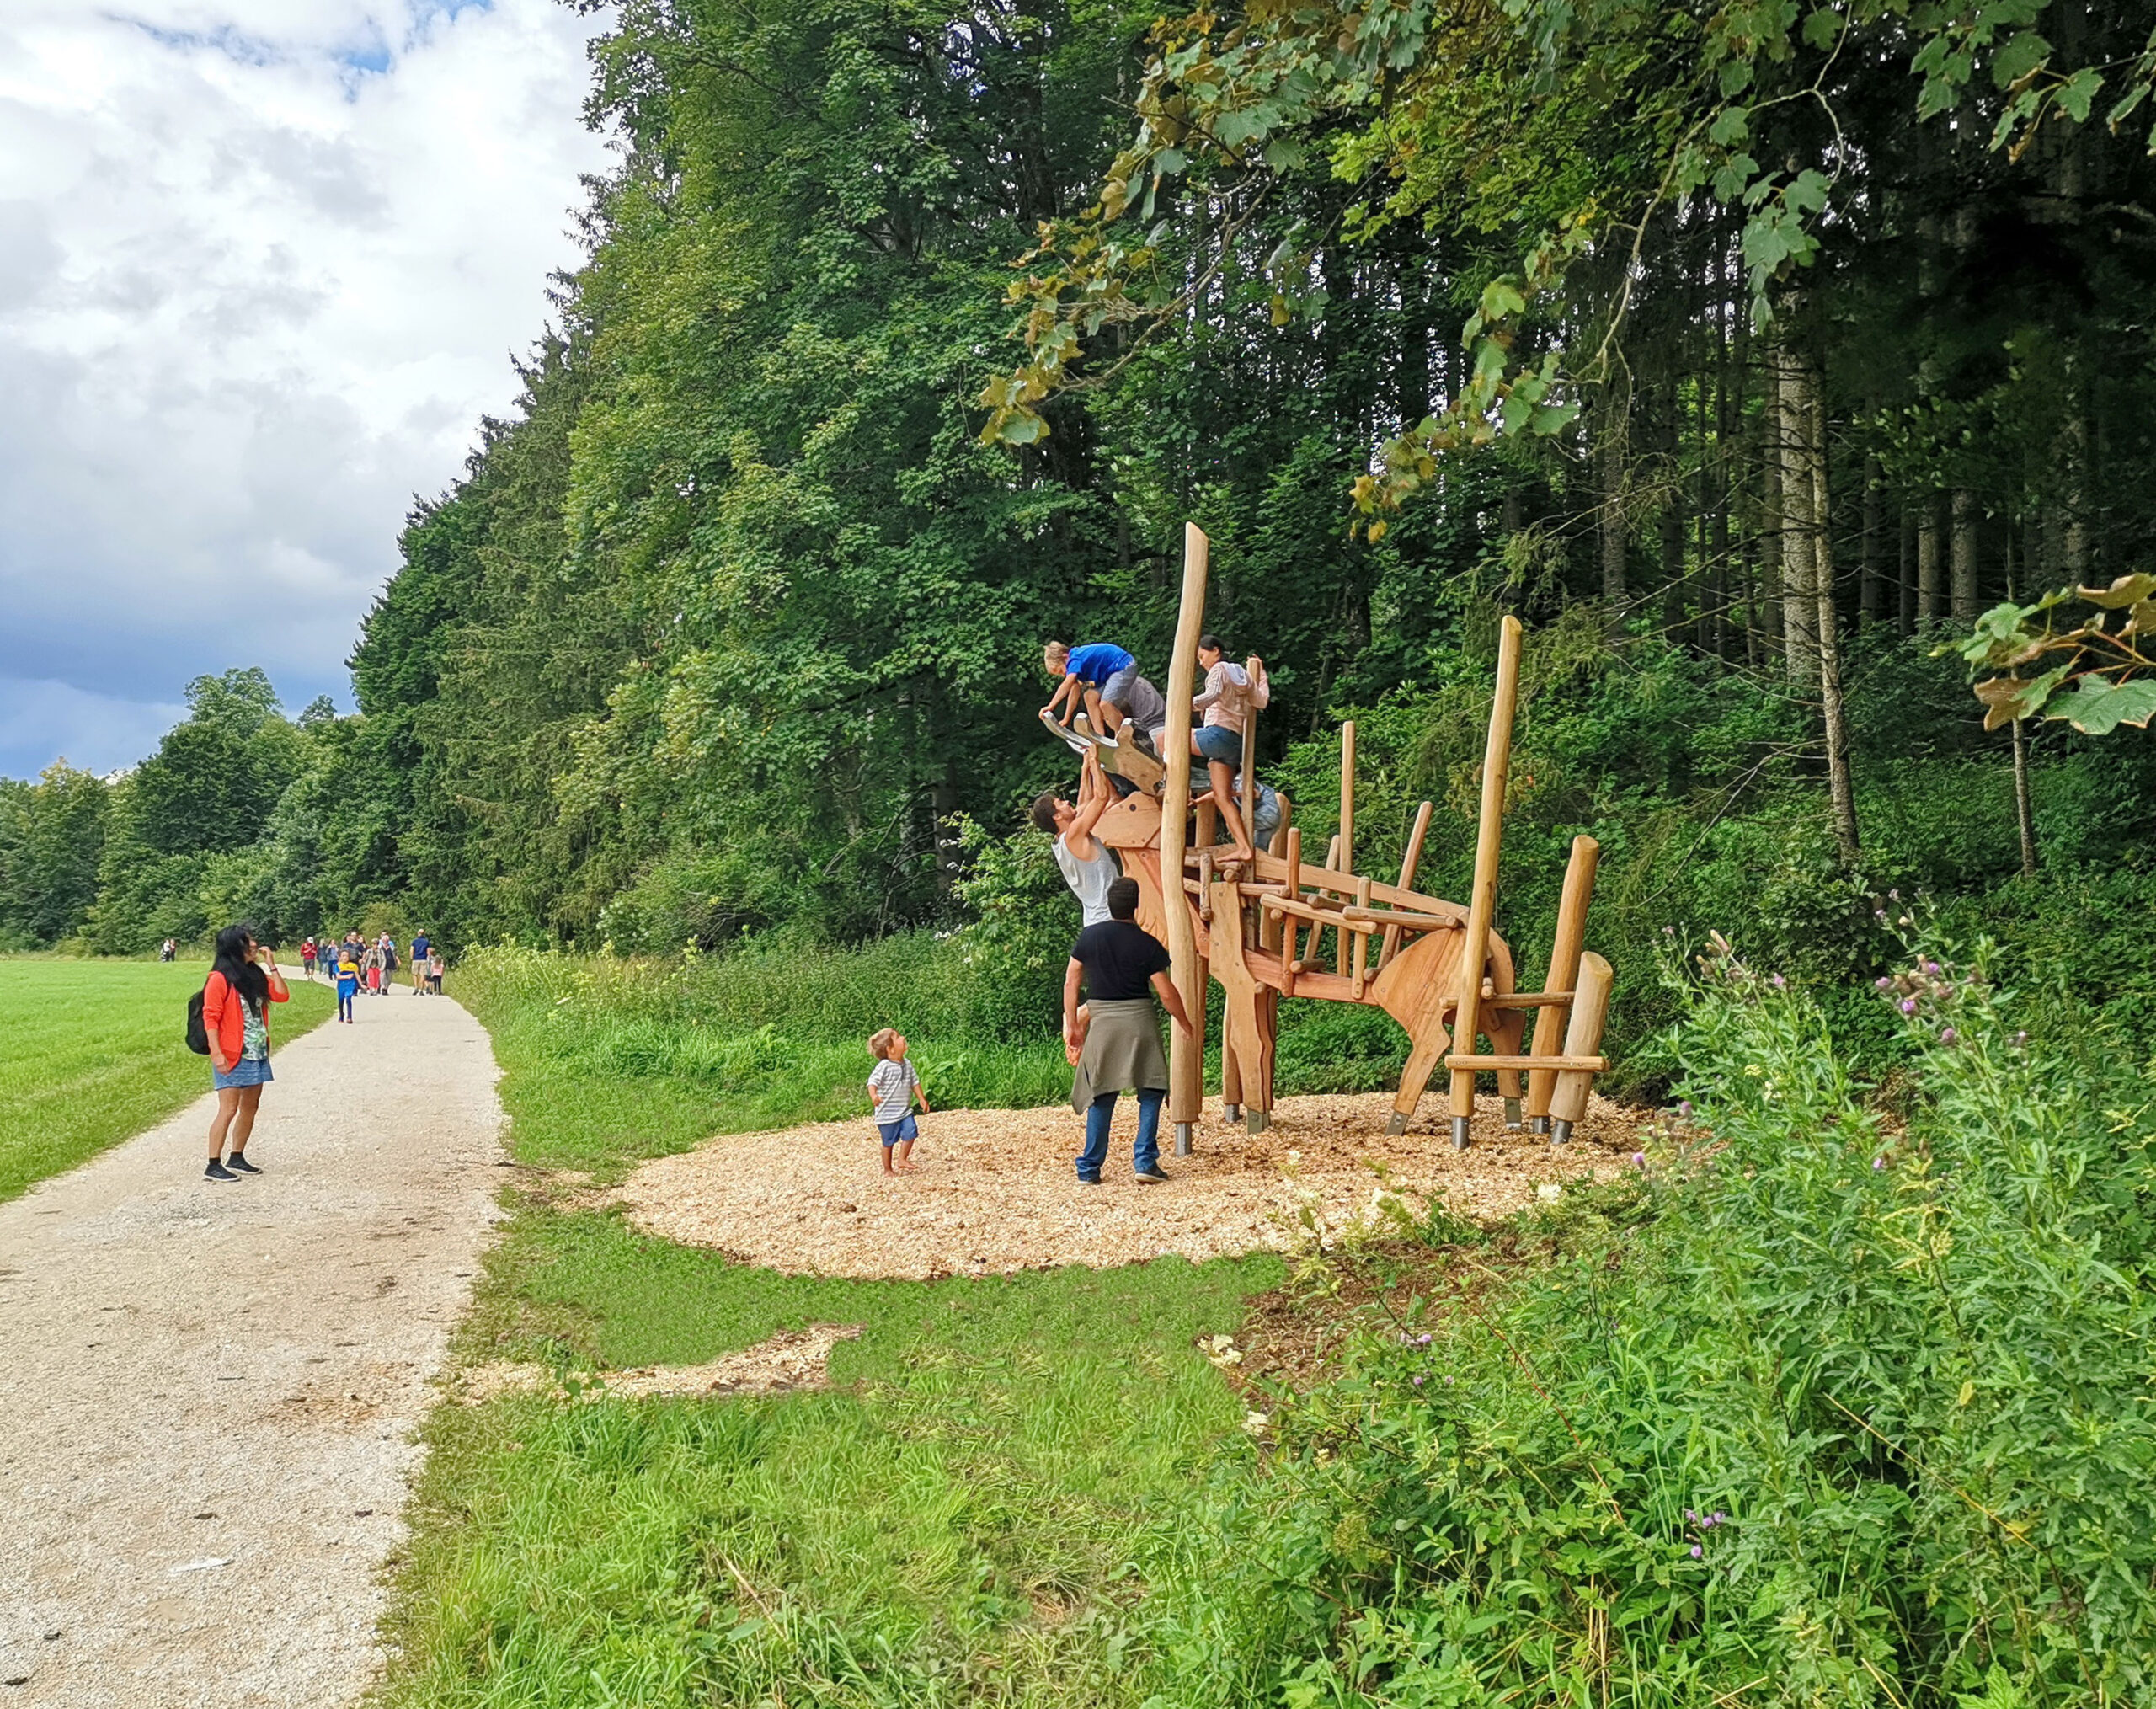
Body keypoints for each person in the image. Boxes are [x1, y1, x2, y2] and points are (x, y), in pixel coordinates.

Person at [1062, 876, 1193, 1186]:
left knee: (1102, 1092)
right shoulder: (1147, 943)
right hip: (1139, 1021)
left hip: (1103, 1023)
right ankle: (1145, 1161)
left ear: (1109, 904)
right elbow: (1166, 992)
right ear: (1136, 905)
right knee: (1152, 1089)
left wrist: (1073, 1025)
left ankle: (1089, 1168)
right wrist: (1185, 1023)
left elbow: (1071, 982)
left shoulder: (1089, 937)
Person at [200, 923, 289, 1181]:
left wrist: (271, 965)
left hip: (257, 1051)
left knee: (250, 1106)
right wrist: (216, 1053)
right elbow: (211, 1018)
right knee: (228, 1108)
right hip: (231, 1052)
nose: (254, 945)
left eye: (253, 940)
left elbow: (282, 996)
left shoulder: (255, 974)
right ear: (233, 947)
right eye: (247, 942)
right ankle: (213, 1163)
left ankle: (236, 1156)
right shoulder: (218, 979)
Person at [1189, 637, 1270, 863]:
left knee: (1167, 738)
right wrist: (1261, 675)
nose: (1201, 663)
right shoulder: (1243, 675)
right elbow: (1261, 701)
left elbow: (1212, 694)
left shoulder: (1219, 669)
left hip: (1218, 734)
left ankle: (1170, 782)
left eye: (1202, 656)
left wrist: (1186, 701)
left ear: (1215, 651)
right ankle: (1244, 847)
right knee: (1222, 797)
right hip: (1234, 742)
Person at [1032, 745, 1122, 926]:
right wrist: (1096, 761)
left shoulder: (1065, 839)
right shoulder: (1073, 836)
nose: (1066, 802)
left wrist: (1085, 767)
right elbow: (1101, 797)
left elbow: (1084, 801)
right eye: (1060, 803)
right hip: (1107, 920)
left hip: (1096, 921)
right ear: (1057, 816)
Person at [1042, 640, 1167, 754]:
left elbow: (1067, 684)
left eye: (1060, 670)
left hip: (1123, 667)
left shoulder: (1075, 659)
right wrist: (1066, 718)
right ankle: (1099, 737)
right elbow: (1073, 692)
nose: (1063, 674)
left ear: (1065, 657)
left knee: (1106, 704)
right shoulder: (1075, 666)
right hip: (1108, 675)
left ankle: (1123, 740)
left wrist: (1051, 706)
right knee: (1089, 696)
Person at [865, 1028, 931, 1175]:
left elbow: (915, 1081)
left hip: (904, 1111)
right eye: (898, 1037)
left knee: (911, 1132)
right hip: (887, 1115)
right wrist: (874, 1096)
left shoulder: (907, 1063)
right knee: (888, 1142)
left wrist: (921, 1098)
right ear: (891, 1049)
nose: (903, 1037)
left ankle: (902, 1159)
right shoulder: (884, 1066)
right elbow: (872, 1082)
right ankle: (887, 1169)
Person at [334, 942, 360, 1023]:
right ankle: (341, 1015)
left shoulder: (353, 966)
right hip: (341, 985)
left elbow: (357, 975)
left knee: (349, 998)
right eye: (343, 956)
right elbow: (338, 976)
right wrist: (347, 976)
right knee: (341, 1001)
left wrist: (361, 984)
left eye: (347, 956)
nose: (345, 958)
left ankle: (349, 1017)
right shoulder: (338, 965)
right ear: (340, 957)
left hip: (350, 984)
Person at [410, 927, 431, 994]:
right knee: (423, 974)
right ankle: (421, 990)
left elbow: (412, 950)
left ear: (418, 933)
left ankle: (416, 987)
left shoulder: (414, 941)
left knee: (414, 973)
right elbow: (428, 951)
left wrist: (411, 957)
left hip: (416, 959)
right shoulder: (426, 941)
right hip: (424, 959)